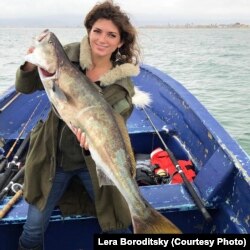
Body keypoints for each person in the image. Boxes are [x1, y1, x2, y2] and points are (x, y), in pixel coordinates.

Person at [15, 1, 141, 249]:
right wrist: (31, 64)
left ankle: (143, 217)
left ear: (120, 42)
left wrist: (89, 143)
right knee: (32, 231)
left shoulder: (122, 88)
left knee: (117, 226)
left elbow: (114, 130)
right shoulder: (67, 58)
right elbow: (25, 87)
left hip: (95, 162)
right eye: (97, 31)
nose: (102, 39)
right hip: (53, 158)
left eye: (111, 35)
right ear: (89, 31)